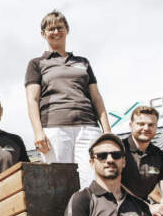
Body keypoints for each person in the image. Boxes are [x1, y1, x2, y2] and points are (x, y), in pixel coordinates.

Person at [25, 10, 111, 174]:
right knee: (60, 180)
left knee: (92, 177)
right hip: (55, 128)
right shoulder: (36, 63)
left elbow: (96, 98)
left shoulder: (82, 62)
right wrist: (38, 132)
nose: (56, 32)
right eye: (51, 29)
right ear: (43, 34)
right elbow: (32, 100)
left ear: (67, 30)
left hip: (88, 126)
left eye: (60, 27)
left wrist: (106, 130)